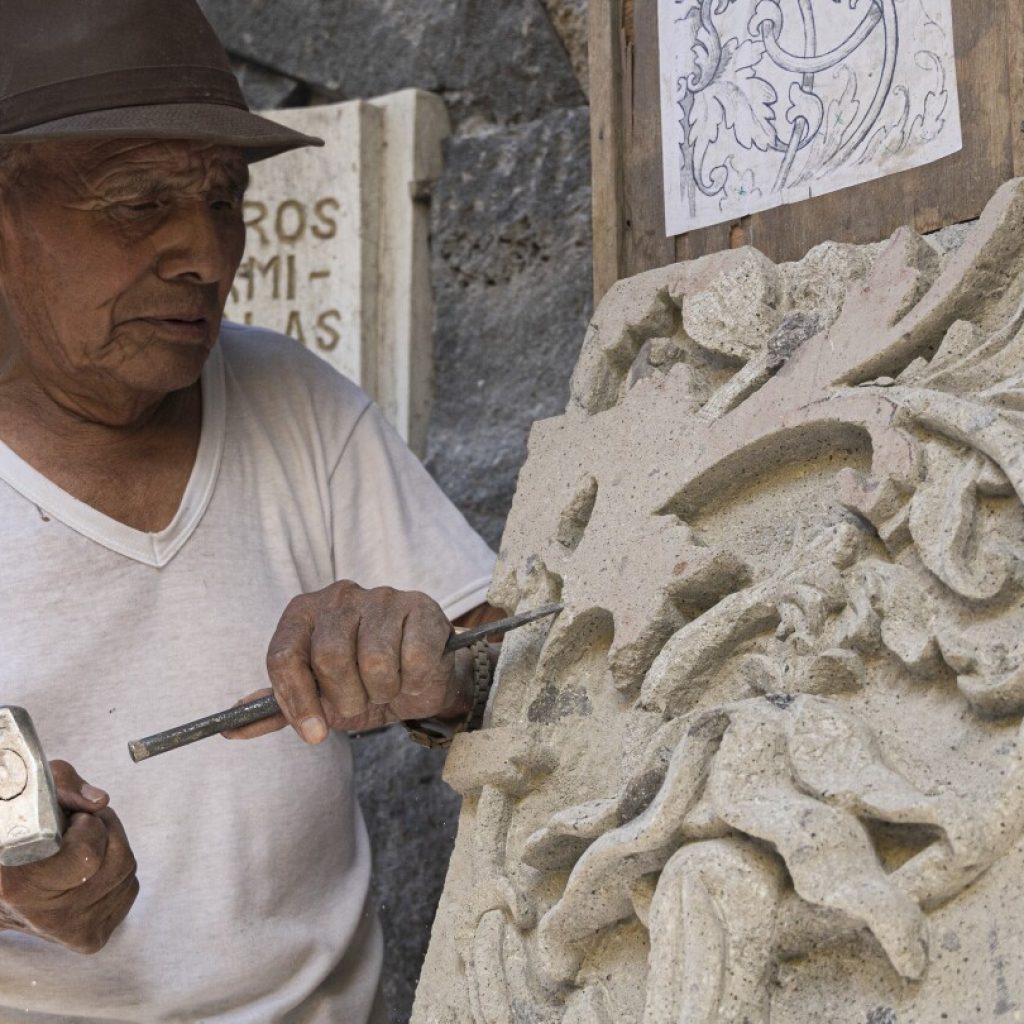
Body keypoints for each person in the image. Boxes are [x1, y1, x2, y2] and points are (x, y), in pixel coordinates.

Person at [0, 2, 499, 1021]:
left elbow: (518, 667)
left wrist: (434, 669)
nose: (206, 254)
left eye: (223, 199)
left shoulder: (294, 399)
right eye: (139, 201)